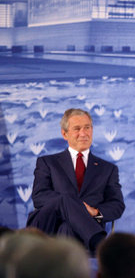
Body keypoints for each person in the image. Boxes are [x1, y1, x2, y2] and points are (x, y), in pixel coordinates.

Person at [26, 108, 125, 255]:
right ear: (64, 134)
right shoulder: (47, 162)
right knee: (65, 200)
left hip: (81, 232)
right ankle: (101, 244)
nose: (83, 133)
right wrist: (74, 205)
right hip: (48, 225)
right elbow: (39, 197)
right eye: (77, 129)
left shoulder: (108, 169)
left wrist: (96, 212)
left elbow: (117, 204)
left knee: (68, 227)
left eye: (87, 128)